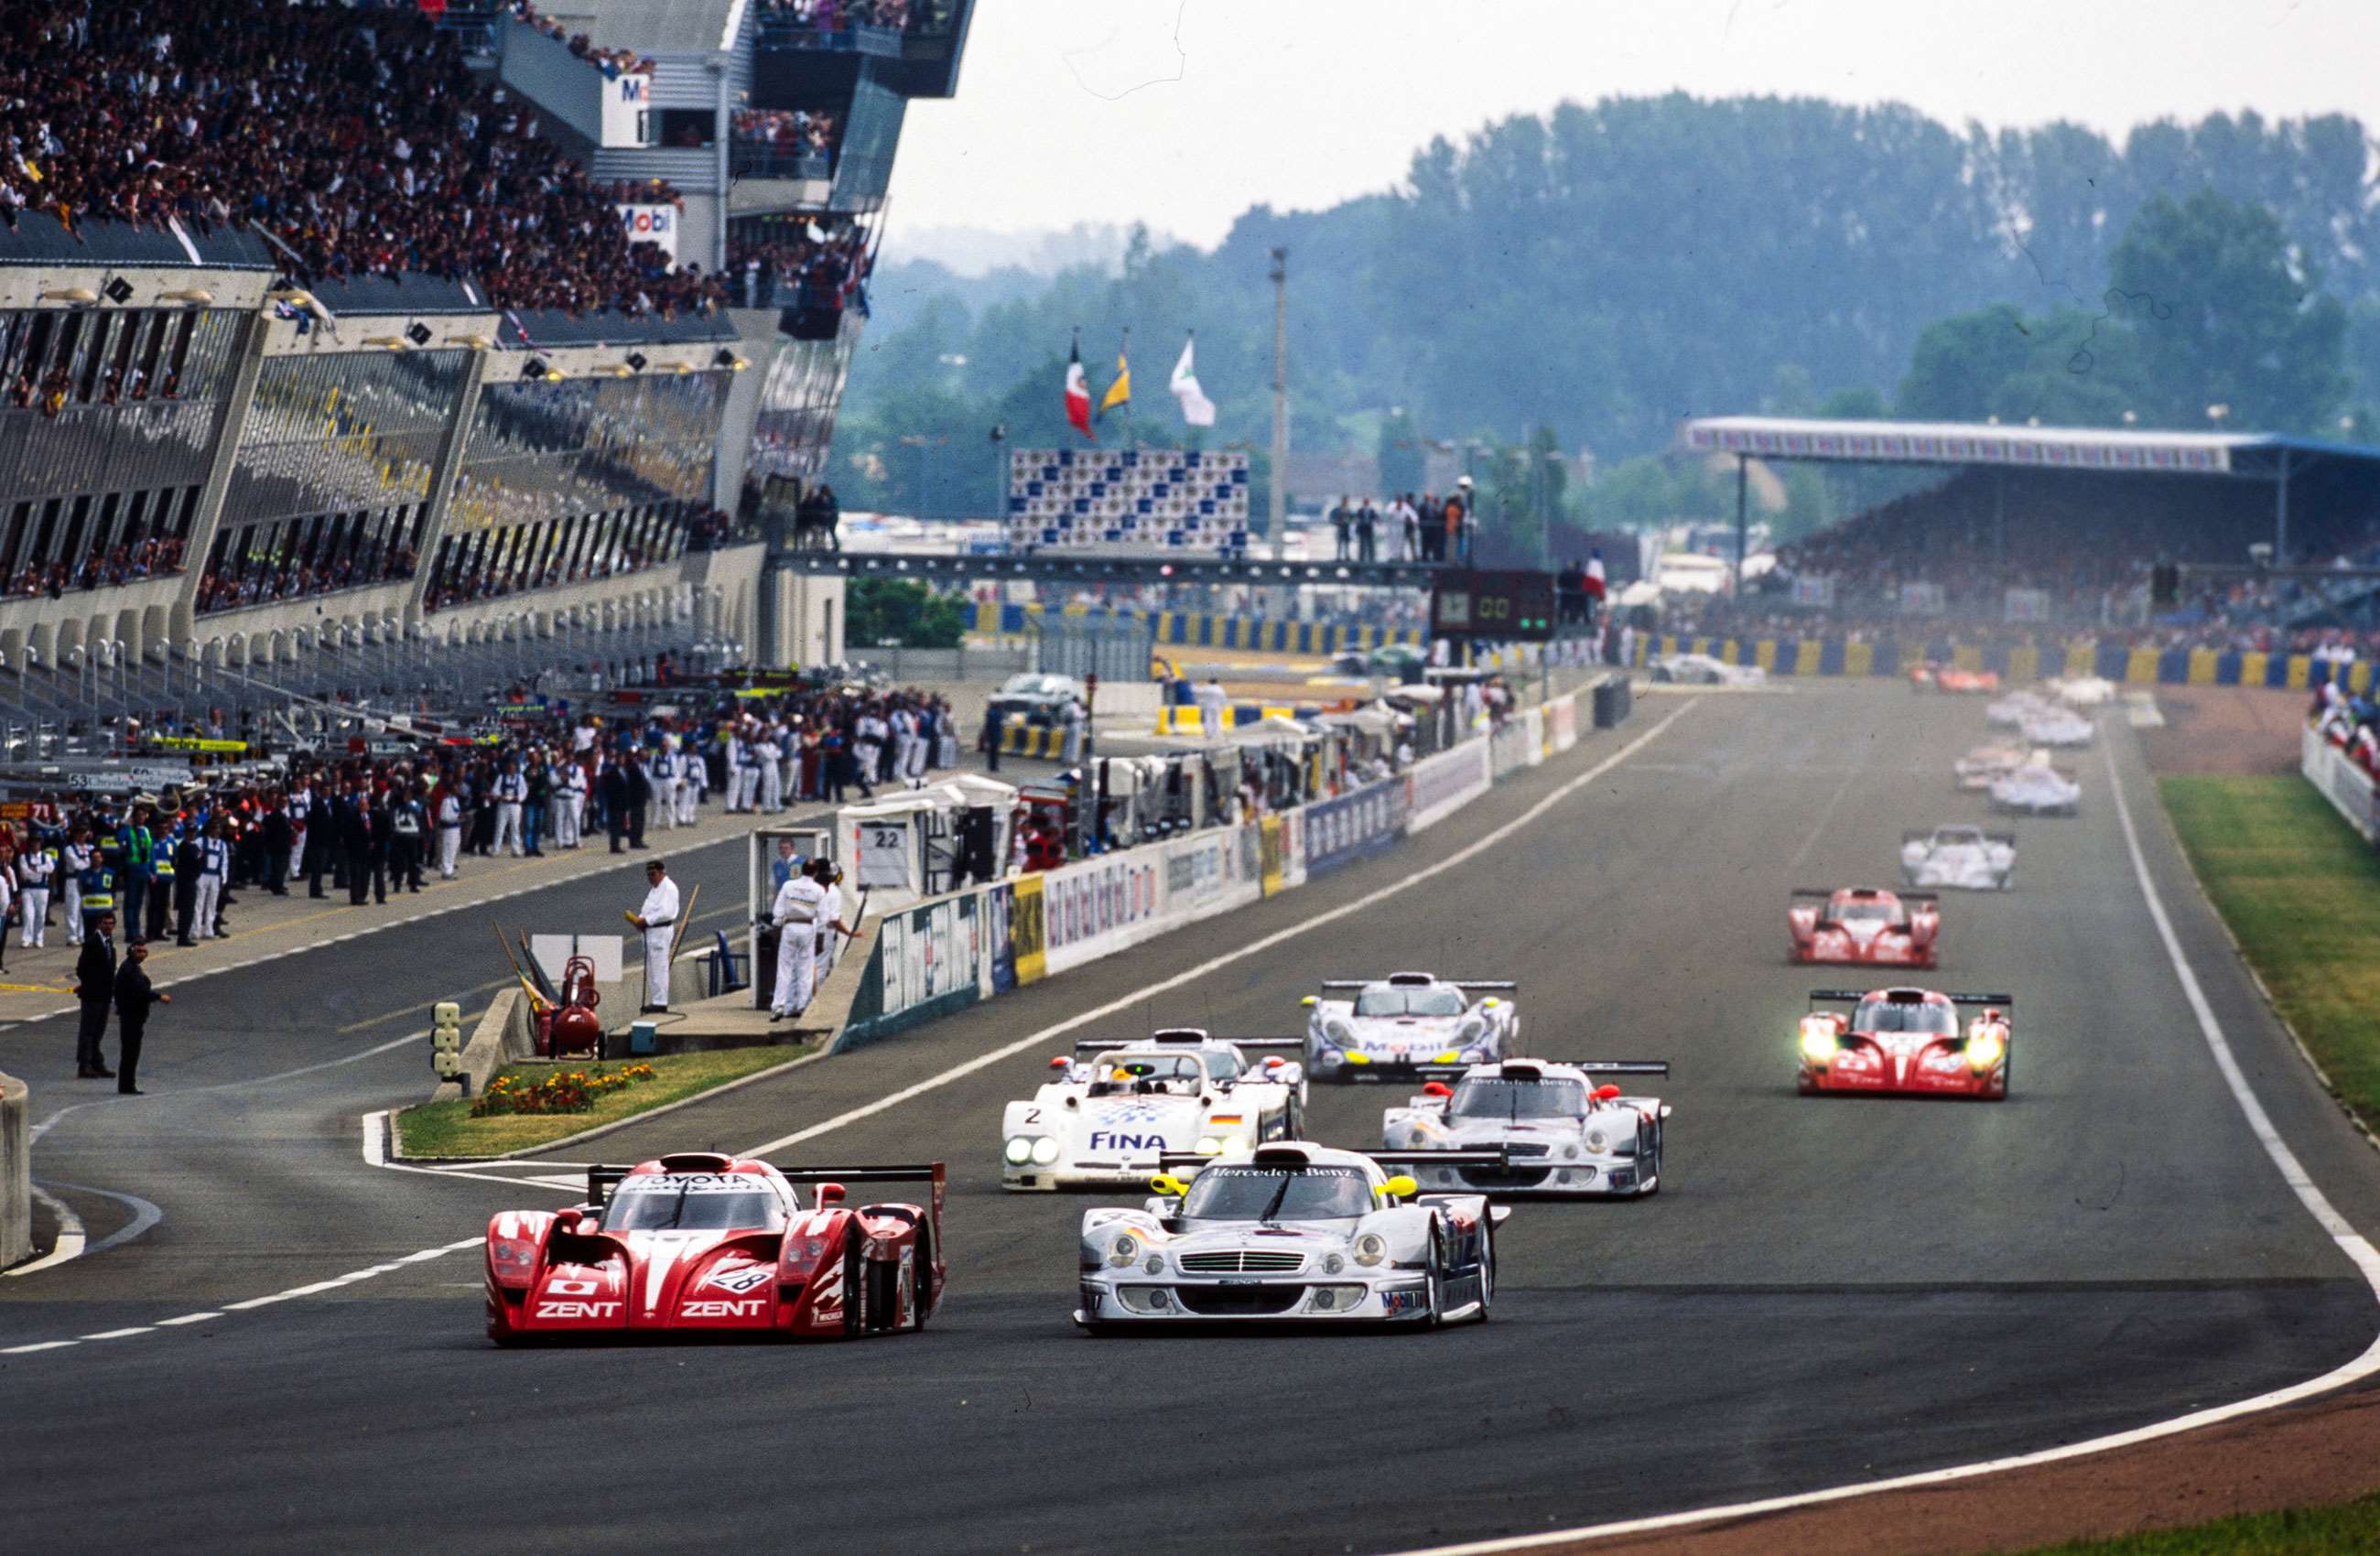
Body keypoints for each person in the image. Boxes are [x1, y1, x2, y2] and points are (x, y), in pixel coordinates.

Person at [766, 855, 826, 1021]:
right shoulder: (819, 890)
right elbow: (823, 917)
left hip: (789, 927)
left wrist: (777, 929)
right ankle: (802, 1005)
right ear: (815, 873)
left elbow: (778, 911)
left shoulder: (788, 885)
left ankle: (778, 1005)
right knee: (805, 968)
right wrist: (820, 938)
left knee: (784, 968)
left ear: (801, 870)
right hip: (807, 927)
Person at [113, 938, 168, 1095]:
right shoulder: (130, 969)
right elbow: (141, 991)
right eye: (139, 951)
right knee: (130, 1051)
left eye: (144, 951)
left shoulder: (132, 967)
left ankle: (127, 1084)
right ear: (132, 951)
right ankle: (127, 1085)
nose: (142, 955)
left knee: (131, 1051)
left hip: (133, 1014)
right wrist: (159, 996)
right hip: (131, 1014)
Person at [627, 859, 680, 1012]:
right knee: (651, 968)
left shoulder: (669, 888)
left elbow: (665, 912)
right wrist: (638, 920)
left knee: (659, 967)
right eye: (649, 875)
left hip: (660, 931)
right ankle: (655, 1000)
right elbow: (648, 908)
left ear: (661, 872)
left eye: (653, 874)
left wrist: (646, 920)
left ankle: (661, 1001)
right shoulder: (655, 890)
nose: (650, 878)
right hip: (650, 932)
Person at [75, 910, 118, 1078]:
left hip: (105, 995)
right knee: (88, 1030)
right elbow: (81, 969)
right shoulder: (92, 943)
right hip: (92, 995)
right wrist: (89, 985)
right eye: (105, 923)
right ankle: (84, 1065)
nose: (108, 926)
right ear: (99, 924)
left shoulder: (109, 944)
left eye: (111, 923)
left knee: (99, 1030)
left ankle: (96, 1062)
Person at [170, 824, 203, 945]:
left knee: (189, 910)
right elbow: (191, 863)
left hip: (191, 880)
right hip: (186, 881)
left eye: (194, 832)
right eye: (190, 832)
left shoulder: (193, 846)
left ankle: (184, 934)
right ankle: (183, 936)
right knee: (186, 910)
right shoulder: (184, 846)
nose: (192, 834)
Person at [16, 836, 51, 949]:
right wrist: (41, 869)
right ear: (30, 844)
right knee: (28, 914)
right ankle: (27, 939)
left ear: (40, 844)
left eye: (37, 842)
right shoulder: (23, 857)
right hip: (28, 889)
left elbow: (51, 868)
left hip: (42, 889)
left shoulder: (47, 856)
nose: (35, 845)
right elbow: (25, 873)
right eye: (33, 842)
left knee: (41, 915)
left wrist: (35, 869)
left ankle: (39, 939)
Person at [492, 760, 527, 857]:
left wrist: (518, 797)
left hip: (515, 805)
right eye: (509, 767)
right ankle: (496, 849)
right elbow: (494, 790)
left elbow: (524, 791)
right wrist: (500, 796)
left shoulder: (520, 777)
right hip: (503, 805)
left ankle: (515, 850)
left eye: (513, 767)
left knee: (515, 827)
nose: (511, 769)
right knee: (500, 827)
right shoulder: (501, 777)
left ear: (516, 767)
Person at [436, 783, 464, 878]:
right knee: (448, 849)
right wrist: (456, 817)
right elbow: (444, 816)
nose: (458, 790)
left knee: (454, 848)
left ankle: (450, 868)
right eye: (456, 788)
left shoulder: (455, 799)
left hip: (456, 827)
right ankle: (446, 871)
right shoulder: (446, 801)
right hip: (449, 828)